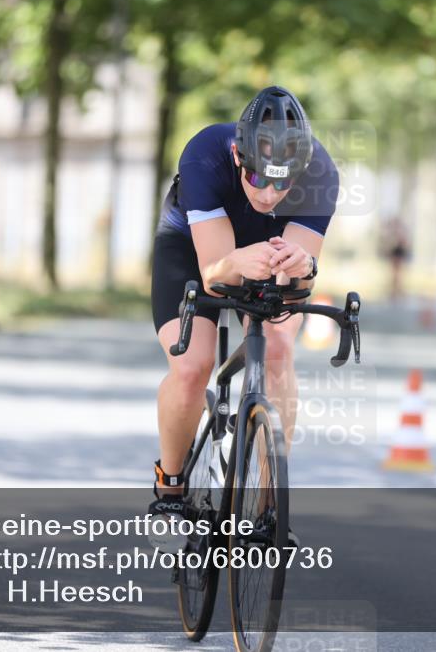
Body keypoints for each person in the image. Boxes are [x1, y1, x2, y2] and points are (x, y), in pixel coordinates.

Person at [148, 86, 338, 547]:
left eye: (282, 184)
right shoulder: (205, 155)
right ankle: (170, 487)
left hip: (267, 248)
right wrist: (235, 262)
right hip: (194, 249)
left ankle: (271, 505)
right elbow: (214, 277)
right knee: (192, 366)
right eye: (258, 179)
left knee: (278, 347)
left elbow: (298, 285)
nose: (269, 194)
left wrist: (303, 268)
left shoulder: (321, 172)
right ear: (238, 156)